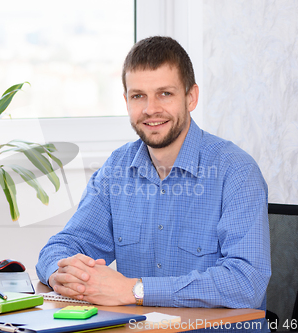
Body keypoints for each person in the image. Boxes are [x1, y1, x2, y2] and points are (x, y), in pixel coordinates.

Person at [36, 36, 270, 332]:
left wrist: (135, 290)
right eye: (138, 96)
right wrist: (61, 274)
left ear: (191, 97)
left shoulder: (236, 171)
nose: (150, 109)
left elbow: (246, 281)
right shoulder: (117, 168)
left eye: (164, 94)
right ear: (126, 101)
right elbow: (63, 245)